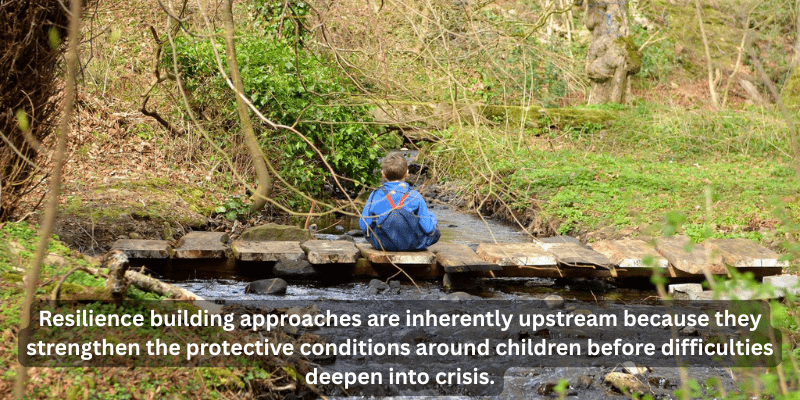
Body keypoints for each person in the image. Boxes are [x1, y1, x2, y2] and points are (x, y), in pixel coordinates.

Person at [359, 153, 440, 251]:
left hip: (383, 244)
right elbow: (429, 228)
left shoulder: (375, 194)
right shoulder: (415, 196)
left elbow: (363, 225)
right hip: (411, 244)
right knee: (435, 232)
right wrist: (433, 218)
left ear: (383, 174)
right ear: (407, 173)